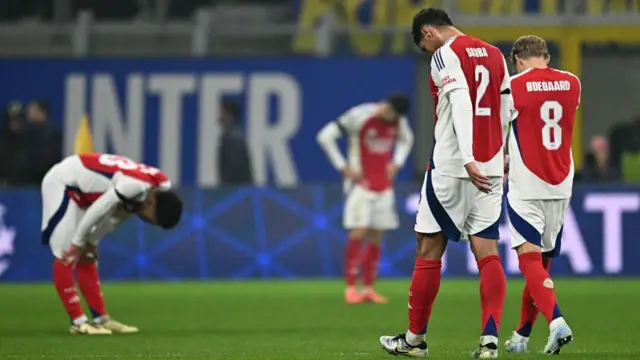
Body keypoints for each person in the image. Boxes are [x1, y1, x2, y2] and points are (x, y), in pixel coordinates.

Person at [379, 8, 511, 358]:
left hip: (455, 165)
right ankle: (489, 341)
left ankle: (414, 340)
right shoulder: (496, 53)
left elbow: (459, 100)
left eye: (424, 48)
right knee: (487, 250)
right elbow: (506, 105)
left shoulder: (444, 54)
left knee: (428, 247)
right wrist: (504, 152)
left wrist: (467, 156)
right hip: (494, 164)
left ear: (427, 34)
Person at [42, 153, 183, 335]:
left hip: (86, 192)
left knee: (88, 255)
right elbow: (101, 208)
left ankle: (101, 319)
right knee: (66, 253)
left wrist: (92, 240)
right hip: (63, 182)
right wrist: (78, 242)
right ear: (151, 201)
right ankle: (78, 322)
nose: (147, 222)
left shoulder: (153, 190)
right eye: (151, 219)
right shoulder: (135, 187)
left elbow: (116, 217)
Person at [502, 35, 580, 355]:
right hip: (561, 182)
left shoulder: (512, 86)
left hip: (527, 184)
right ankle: (521, 335)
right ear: (546, 57)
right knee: (541, 265)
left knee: (529, 259)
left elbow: (497, 129)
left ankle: (557, 321)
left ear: (518, 60)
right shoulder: (572, 82)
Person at [316, 93, 414, 304]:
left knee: (377, 234)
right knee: (358, 232)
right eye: (389, 113)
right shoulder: (359, 115)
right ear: (385, 106)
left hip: (384, 186)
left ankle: (369, 287)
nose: (390, 119)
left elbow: (407, 140)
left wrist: (397, 162)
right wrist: (343, 167)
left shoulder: (399, 120)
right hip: (359, 185)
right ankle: (351, 287)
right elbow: (325, 136)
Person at [24, 99, 63, 185]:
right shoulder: (26, 132)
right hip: (26, 182)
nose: (28, 112)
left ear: (42, 113)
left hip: (43, 180)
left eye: (32, 110)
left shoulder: (51, 134)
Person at [218, 100, 253, 186]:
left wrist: (225, 189)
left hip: (235, 190)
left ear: (230, 116)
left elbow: (232, 170)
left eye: (223, 114)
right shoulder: (230, 136)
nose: (219, 118)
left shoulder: (234, 139)